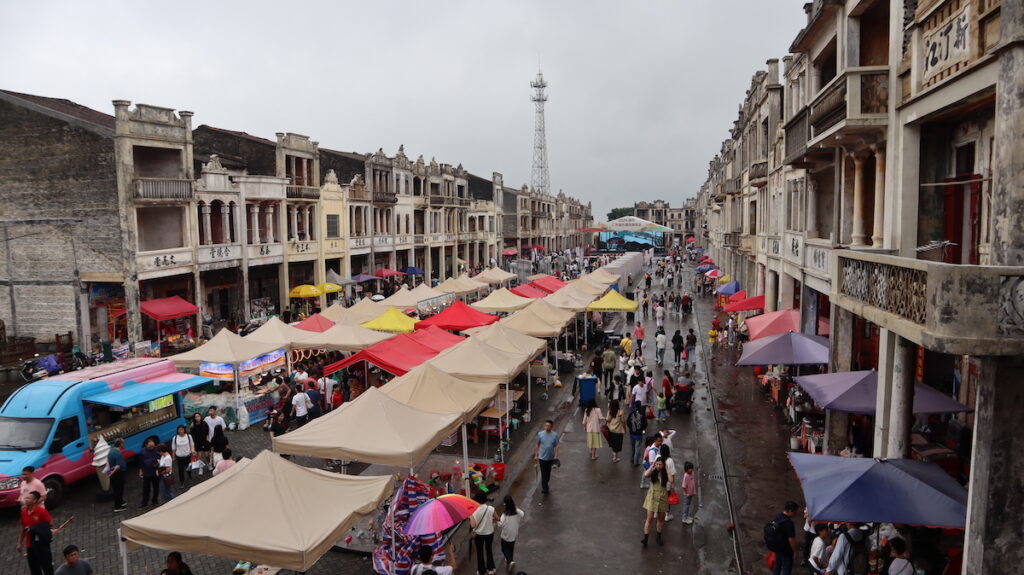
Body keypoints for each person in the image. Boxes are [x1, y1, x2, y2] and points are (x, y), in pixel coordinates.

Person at [18, 490, 57, 575]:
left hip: (41, 544)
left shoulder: (41, 511)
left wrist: (35, 528)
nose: (26, 499)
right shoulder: (23, 512)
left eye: (28, 498)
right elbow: (23, 528)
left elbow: (51, 523)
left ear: (34, 501)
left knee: (47, 567)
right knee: (34, 568)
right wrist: (19, 543)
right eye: (26, 497)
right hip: (30, 545)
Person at [641, 457, 669, 548]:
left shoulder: (666, 472)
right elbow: (646, 474)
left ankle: (658, 536)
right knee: (649, 518)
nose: (658, 466)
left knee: (660, 518)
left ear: (663, 465)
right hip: (652, 497)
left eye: (660, 464)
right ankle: (645, 538)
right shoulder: (653, 471)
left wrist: (668, 470)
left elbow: (672, 480)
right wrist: (651, 466)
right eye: (657, 464)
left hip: (662, 497)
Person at [766, 501, 799, 575]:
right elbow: (791, 539)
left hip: (778, 548)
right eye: (795, 512)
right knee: (786, 568)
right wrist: (795, 551)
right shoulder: (789, 523)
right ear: (791, 511)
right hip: (786, 550)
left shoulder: (777, 517)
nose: (796, 514)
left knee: (777, 564)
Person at [469, 491, 498, 575]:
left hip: (479, 534)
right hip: (489, 533)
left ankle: (481, 570)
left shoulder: (474, 510)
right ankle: (491, 568)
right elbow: (497, 518)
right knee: (489, 550)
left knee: (480, 552)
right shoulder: (490, 508)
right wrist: (491, 520)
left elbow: (473, 525)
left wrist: (470, 517)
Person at [498, 495, 524, 572]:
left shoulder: (505, 514)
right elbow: (522, 514)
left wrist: (496, 520)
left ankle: (510, 560)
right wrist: (517, 508)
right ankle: (510, 561)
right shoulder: (517, 512)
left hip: (506, 535)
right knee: (511, 548)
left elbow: (500, 524)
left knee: (504, 549)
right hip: (514, 534)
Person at [534, 419, 560, 494]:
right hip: (542, 457)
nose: (546, 427)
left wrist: (556, 455)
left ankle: (546, 484)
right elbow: (537, 445)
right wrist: (536, 455)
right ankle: (545, 488)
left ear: (551, 427)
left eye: (548, 426)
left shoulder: (555, 435)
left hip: (551, 458)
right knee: (543, 473)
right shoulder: (540, 434)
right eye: (545, 425)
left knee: (548, 473)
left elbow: (557, 446)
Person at [106, 438, 128, 512]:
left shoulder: (111, 451)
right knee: (119, 490)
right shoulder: (118, 453)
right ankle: (118, 507)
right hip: (118, 474)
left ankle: (121, 501)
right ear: (121, 444)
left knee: (116, 490)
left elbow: (108, 462)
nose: (124, 445)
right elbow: (118, 466)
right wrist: (113, 472)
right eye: (123, 443)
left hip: (113, 474)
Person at [139, 438, 160, 507]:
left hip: (155, 472)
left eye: (153, 446)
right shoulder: (142, 451)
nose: (152, 447)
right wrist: (141, 470)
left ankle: (155, 500)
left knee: (156, 487)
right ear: (146, 445)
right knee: (146, 489)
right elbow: (141, 462)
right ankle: (144, 503)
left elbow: (161, 458)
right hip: (147, 473)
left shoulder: (157, 449)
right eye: (150, 446)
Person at [626, 401, 648, 466]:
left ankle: (632, 458)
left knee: (632, 447)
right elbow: (645, 423)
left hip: (632, 433)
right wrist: (642, 429)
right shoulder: (642, 414)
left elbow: (628, 422)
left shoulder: (631, 413)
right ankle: (636, 461)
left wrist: (631, 428)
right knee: (637, 447)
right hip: (639, 434)